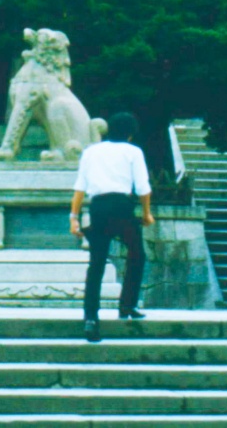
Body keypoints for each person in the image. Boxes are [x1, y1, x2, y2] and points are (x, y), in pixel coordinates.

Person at [69, 111, 154, 343]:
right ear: (130, 134)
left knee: (96, 263)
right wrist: (146, 213)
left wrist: (73, 217)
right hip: (122, 207)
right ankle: (127, 305)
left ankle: (91, 318)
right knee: (136, 254)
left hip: (98, 208)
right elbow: (143, 188)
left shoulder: (91, 151)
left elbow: (80, 188)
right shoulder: (133, 152)